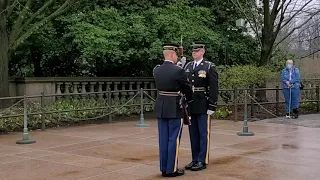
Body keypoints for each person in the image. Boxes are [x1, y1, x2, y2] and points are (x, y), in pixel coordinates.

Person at [153, 43, 193, 177]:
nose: (176, 57)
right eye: (176, 54)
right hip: (175, 107)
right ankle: (172, 169)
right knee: (173, 138)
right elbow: (187, 88)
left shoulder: (156, 70)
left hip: (161, 106)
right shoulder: (178, 71)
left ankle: (164, 168)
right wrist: (189, 99)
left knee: (163, 138)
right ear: (171, 54)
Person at [183, 41, 219, 171]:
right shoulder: (188, 66)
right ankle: (194, 159)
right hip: (191, 103)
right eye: (193, 51)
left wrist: (212, 105)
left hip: (203, 103)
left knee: (203, 133)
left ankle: (202, 160)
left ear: (202, 51)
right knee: (193, 133)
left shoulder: (209, 66)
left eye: (197, 51)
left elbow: (214, 87)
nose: (194, 53)